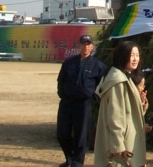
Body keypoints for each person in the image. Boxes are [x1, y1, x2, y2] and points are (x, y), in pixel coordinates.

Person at [56, 34, 107, 167]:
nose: (85, 46)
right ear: (78, 46)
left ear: (92, 47)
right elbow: (61, 80)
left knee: (81, 135)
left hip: (84, 104)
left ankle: (77, 162)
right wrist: (62, 94)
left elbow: (103, 84)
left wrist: (94, 97)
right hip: (67, 103)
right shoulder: (69, 63)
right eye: (83, 44)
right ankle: (69, 159)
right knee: (62, 133)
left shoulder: (98, 66)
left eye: (88, 44)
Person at [94, 41, 147, 167]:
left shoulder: (125, 77)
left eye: (137, 55)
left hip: (126, 139)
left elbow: (128, 111)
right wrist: (117, 145)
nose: (135, 59)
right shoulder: (118, 81)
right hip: (123, 143)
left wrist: (141, 103)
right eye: (131, 55)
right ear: (122, 56)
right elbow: (115, 115)